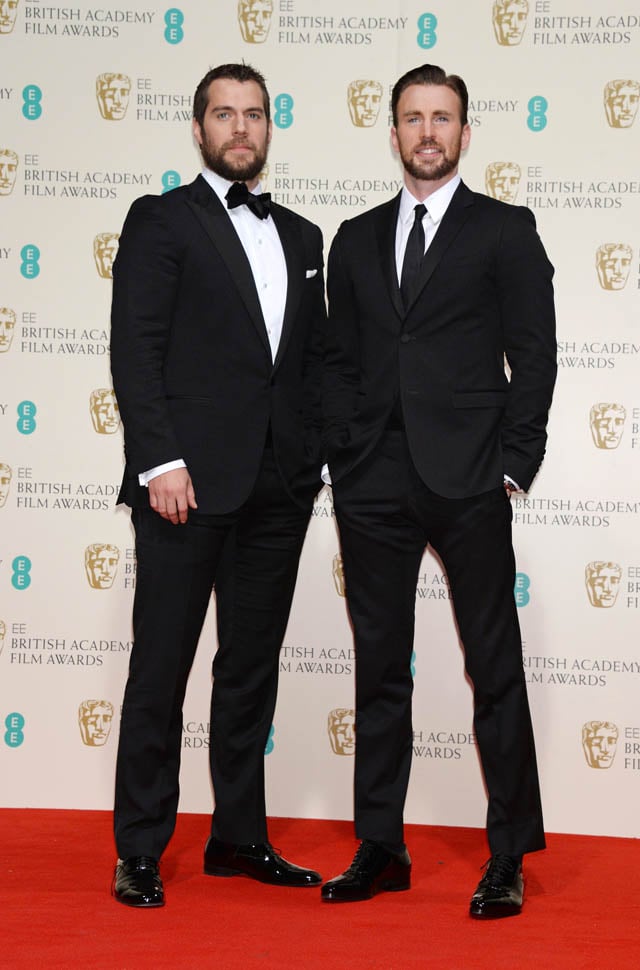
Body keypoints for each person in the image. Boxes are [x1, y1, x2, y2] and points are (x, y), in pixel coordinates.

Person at [321, 64, 556, 918]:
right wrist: (338, 458)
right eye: (413, 118)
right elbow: (335, 362)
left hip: (468, 479)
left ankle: (507, 855)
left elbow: (535, 355)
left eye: (442, 118)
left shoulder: (504, 230)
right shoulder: (352, 238)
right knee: (380, 668)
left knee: (493, 665)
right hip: (371, 481)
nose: (427, 132)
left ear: (464, 132)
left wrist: (512, 462)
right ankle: (380, 844)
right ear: (392, 134)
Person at [109, 62, 326, 908]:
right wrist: (158, 462)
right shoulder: (161, 220)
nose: (240, 128)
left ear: (270, 128)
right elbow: (136, 346)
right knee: (160, 671)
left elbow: (309, 369)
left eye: (255, 114)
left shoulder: (304, 238)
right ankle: (138, 848)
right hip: (185, 488)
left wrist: (310, 466)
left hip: (277, 490)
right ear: (197, 129)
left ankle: (238, 836)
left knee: (249, 672)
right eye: (223, 114)